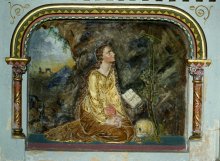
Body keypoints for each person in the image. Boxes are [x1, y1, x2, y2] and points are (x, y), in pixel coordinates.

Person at [45, 43, 134, 143]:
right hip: (93, 112)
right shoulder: (94, 75)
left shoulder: (111, 72)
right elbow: (94, 100)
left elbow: (114, 95)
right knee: (120, 135)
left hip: (109, 109)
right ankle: (93, 132)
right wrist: (106, 120)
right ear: (102, 57)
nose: (113, 53)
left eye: (112, 51)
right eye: (109, 52)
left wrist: (117, 115)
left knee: (130, 130)